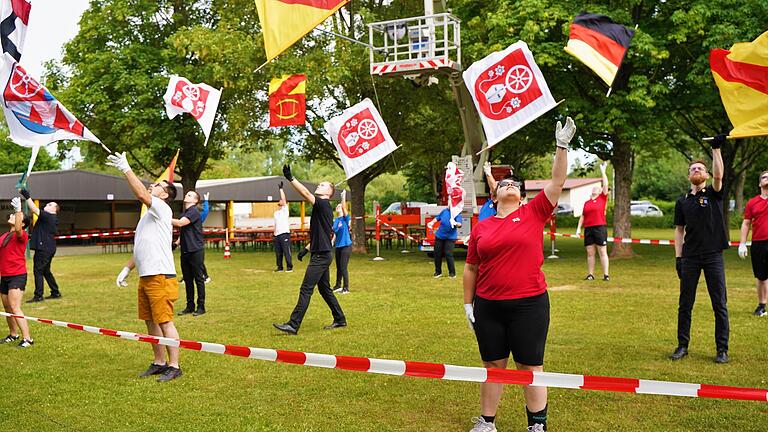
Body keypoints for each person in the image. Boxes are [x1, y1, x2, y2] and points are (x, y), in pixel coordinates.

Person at [463, 117, 575, 432]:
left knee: (530, 366)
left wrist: (561, 147)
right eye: (505, 183)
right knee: (493, 366)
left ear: (523, 197)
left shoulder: (533, 212)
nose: (510, 184)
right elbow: (471, 267)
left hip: (529, 305)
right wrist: (468, 305)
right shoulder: (482, 226)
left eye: (516, 184)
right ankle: (487, 423)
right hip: (489, 307)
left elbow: (556, 181)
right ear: (494, 195)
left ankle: (536, 425)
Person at [107, 152, 183, 382]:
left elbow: (140, 192)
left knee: (165, 321)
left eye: (158, 185)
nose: (152, 185)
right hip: (146, 276)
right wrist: (127, 268)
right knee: (150, 321)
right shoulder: (148, 216)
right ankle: (159, 362)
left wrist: (125, 168)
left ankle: (174, 365)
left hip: (160, 276)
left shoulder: (162, 208)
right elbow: (141, 248)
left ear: (165, 195)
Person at [670, 134, 730, 364]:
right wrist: (678, 258)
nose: (696, 170)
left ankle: (722, 349)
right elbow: (678, 230)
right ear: (689, 176)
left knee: (719, 303)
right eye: (693, 168)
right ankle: (682, 346)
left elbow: (719, 174)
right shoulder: (682, 201)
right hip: (690, 258)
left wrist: (716, 149)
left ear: (705, 175)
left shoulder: (713, 194)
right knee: (685, 303)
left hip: (713, 255)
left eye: (700, 168)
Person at [273, 165, 346, 335]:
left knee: (306, 288)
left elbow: (306, 194)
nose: (319, 185)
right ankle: (340, 319)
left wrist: (291, 178)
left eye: (323, 185)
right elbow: (322, 236)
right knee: (325, 289)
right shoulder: (322, 208)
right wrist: (306, 250)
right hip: (321, 253)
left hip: (321, 257)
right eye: (319, 184)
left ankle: (293, 324)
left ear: (329, 192)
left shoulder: (323, 204)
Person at [0, 197, 33, 348]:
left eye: (15, 216)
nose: (11, 216)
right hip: (5, 276)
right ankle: (13, 334)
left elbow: (19, 229)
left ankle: (28, 339)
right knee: (7, 308)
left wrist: (19, 210)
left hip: (17, 275)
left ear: (23, 223)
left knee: (15, 307)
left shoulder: (22, 235)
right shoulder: (5, 236)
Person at [19, 188, 61, 302]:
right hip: (48, 248)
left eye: (50, 204)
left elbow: (33, 208)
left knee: (38, 270)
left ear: (54, 210)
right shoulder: (50, 219)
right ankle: (55, 292)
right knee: (46, 271)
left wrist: (26, 195)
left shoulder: (48, 216)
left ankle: (38, 295)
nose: (47, 204)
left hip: (44, 249)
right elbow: (43, 232)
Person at [738, 170, 768, 316]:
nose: (767, 179)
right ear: (759, 183)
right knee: (761, 276)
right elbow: (746, 223)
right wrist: (742, 243)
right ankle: (762, 305)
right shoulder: (752, 202)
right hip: (759, 243)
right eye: (764, 177)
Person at [575, 162, 610, 281]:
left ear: (600, 191)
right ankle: (591, 274)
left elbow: (606, 184)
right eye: (595, 187)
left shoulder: (602, 198)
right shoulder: (587, 203)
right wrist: (578, 228)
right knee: (590, 253)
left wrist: (603, 172)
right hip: (588, 228)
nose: (596, 188)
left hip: (599, 227)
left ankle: (606, 274)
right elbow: (583, 216)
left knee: (602, 251)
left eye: (598, 188)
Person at [174, 190, 206, 316]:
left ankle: (201, 307)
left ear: (195, 201)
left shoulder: (193, 211)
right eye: (187, 194)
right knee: (188, 280)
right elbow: (186, 230)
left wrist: (163, 216)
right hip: (186, 250)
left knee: (198, 279)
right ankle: (190, 306)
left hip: (196, 250)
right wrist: (177, 242)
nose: (186, 195)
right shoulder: (186, 212)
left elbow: (181, 223)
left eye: (190, 195)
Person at [428, 206, 462, 278]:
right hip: (440, 235)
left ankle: (452, 273)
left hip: (450, 237)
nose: (449, 205)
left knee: (448, 254)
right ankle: (438, 272)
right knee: (437, 254)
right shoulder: (444, 211)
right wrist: (432, 222)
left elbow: (460, 224)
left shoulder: (456, 213)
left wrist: (455, 223)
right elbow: (437, 218)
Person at [332, 190, 351, 294]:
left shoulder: (345, 218)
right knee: (339, 267)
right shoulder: (336, 220)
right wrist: (332, 241)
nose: (339, 207)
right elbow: (335, 233)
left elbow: (344, 207)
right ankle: (338, 285)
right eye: (338, 206)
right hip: (338, 246)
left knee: (343, 267)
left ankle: (346, 288)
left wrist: (343, 197)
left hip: (346, 246)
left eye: (341, 206)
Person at [273, 182, 293, 273]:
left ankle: (289, 267)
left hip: (284, 234)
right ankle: (280, 267)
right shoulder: (276, 213)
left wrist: (281, 189)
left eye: (281, 199)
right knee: (278, 252)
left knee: (286, 251)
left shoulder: (285, 210)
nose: (280, 200)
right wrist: (274, 234)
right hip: (277, 235)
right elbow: (276, 224)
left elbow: (284, 199)